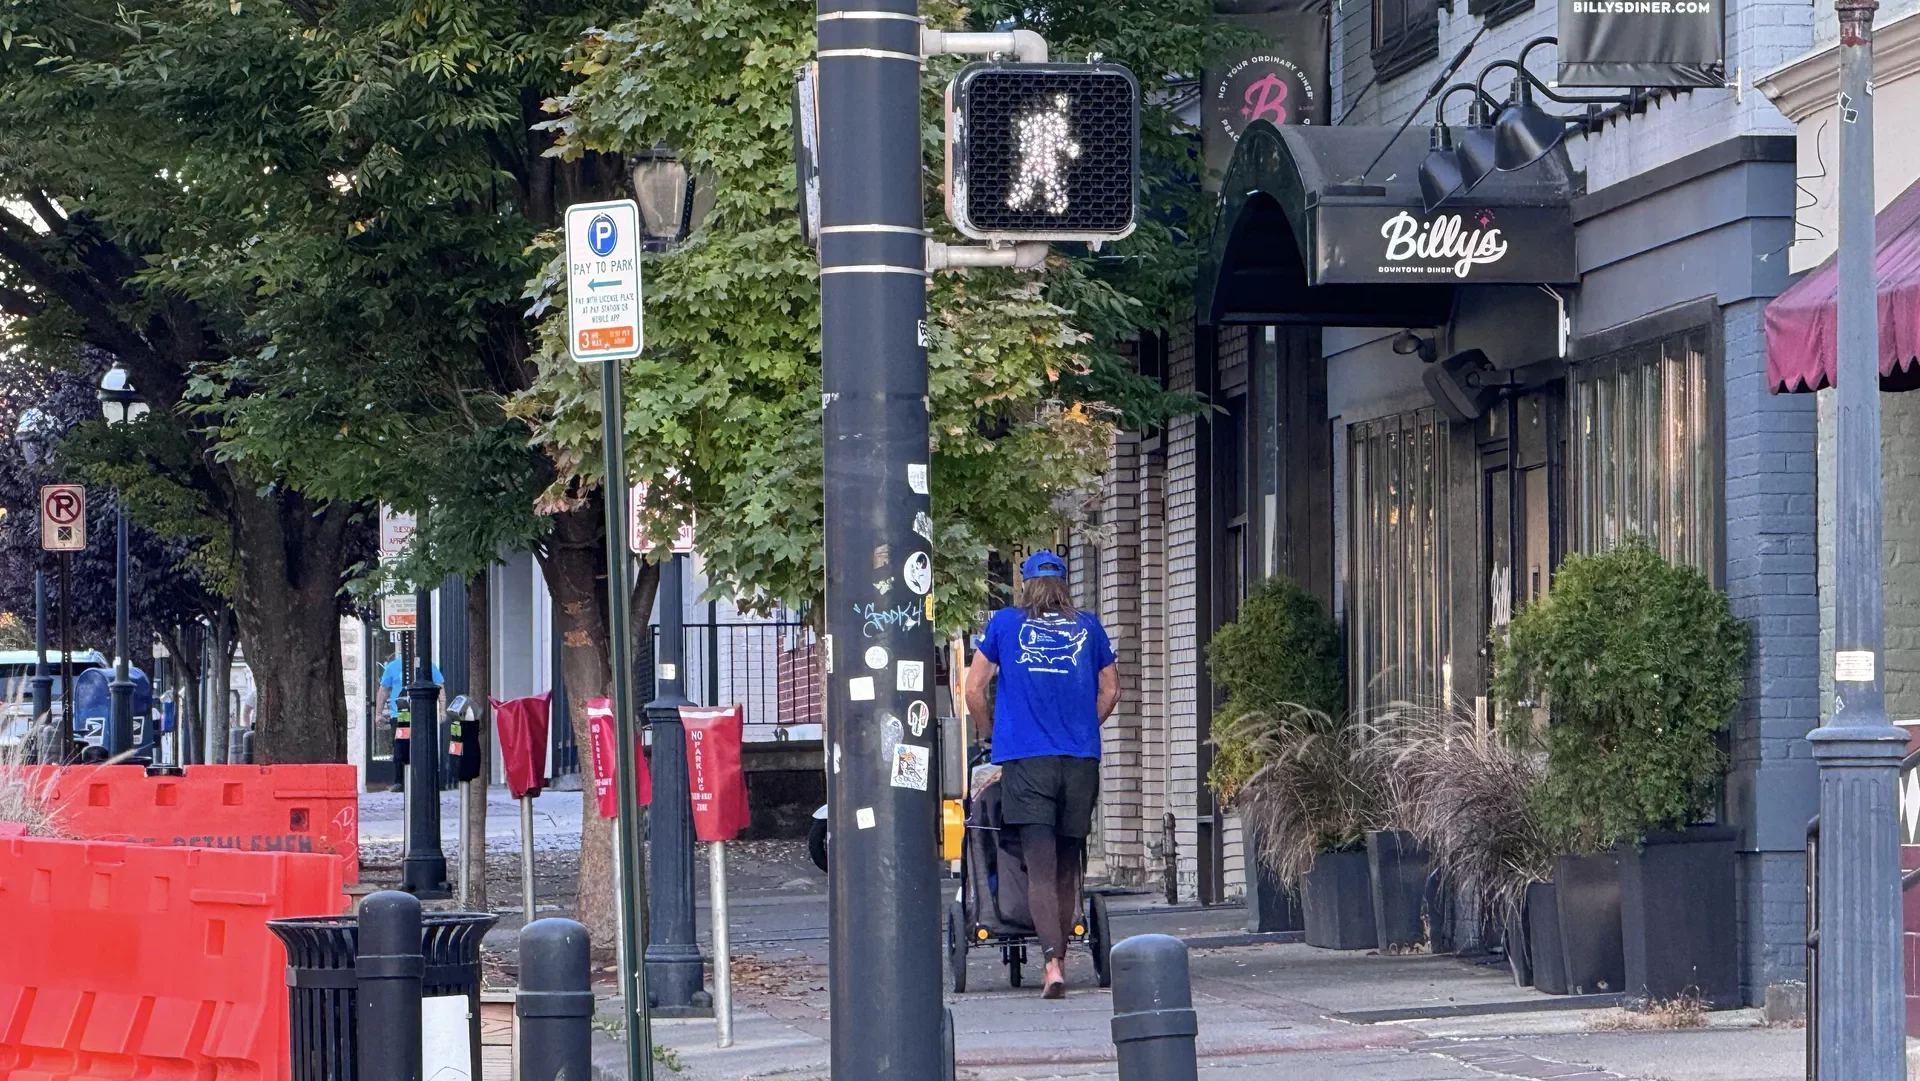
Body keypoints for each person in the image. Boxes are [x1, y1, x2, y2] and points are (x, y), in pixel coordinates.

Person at [964, 549, 1121, 999]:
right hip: (1078, 760)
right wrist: (1085, 727)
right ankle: (1065, 952)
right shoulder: (1089, 626)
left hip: (1026, 759)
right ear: (1064, 584)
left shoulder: (1005, 625)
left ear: (1026, 583)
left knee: (1040, 865)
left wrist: (993, 734)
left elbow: (974, 690)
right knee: (1069, 862)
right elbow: (1112, 690)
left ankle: (1052, 965)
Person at [374, 650, 442, 792]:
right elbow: (383, 690)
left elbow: (440, 687)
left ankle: (424, 780)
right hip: (399, 715)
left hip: (422, 715)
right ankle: (400, 781)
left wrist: (442, 710)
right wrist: (378, 713)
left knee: (423, 745)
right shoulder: (393, 666)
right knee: (400, 747)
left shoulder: (428, 666)